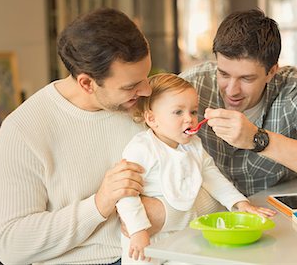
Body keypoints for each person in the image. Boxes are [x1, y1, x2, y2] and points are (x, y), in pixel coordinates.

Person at [0, 8, 220, 265]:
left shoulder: (149, 111)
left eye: (146, 77)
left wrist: (164, 214)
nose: (145, 91)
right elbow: (10, 245)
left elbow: (211, 195)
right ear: (87, 83)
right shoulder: (23, 130)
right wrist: (99, 204)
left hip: (156, 253)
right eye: (131, 86)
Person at [180, 8, 297, 196]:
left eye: (246, 78)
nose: (231, 90)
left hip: (272, 213)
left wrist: (258, 139)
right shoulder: (192, 84)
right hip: (206, 214)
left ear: (271, 71)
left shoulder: (296, 91)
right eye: (223, 74)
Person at [116, 73, 276, 264]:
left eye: (193, 112)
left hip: (181, 234)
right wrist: (138, 230)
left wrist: (240, 203)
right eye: (178, 112)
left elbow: (213, 177)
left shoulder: (194, 145)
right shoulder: (141, 148)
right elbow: (125, 194)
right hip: (144, 239)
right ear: (152, 119)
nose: (189, 119)